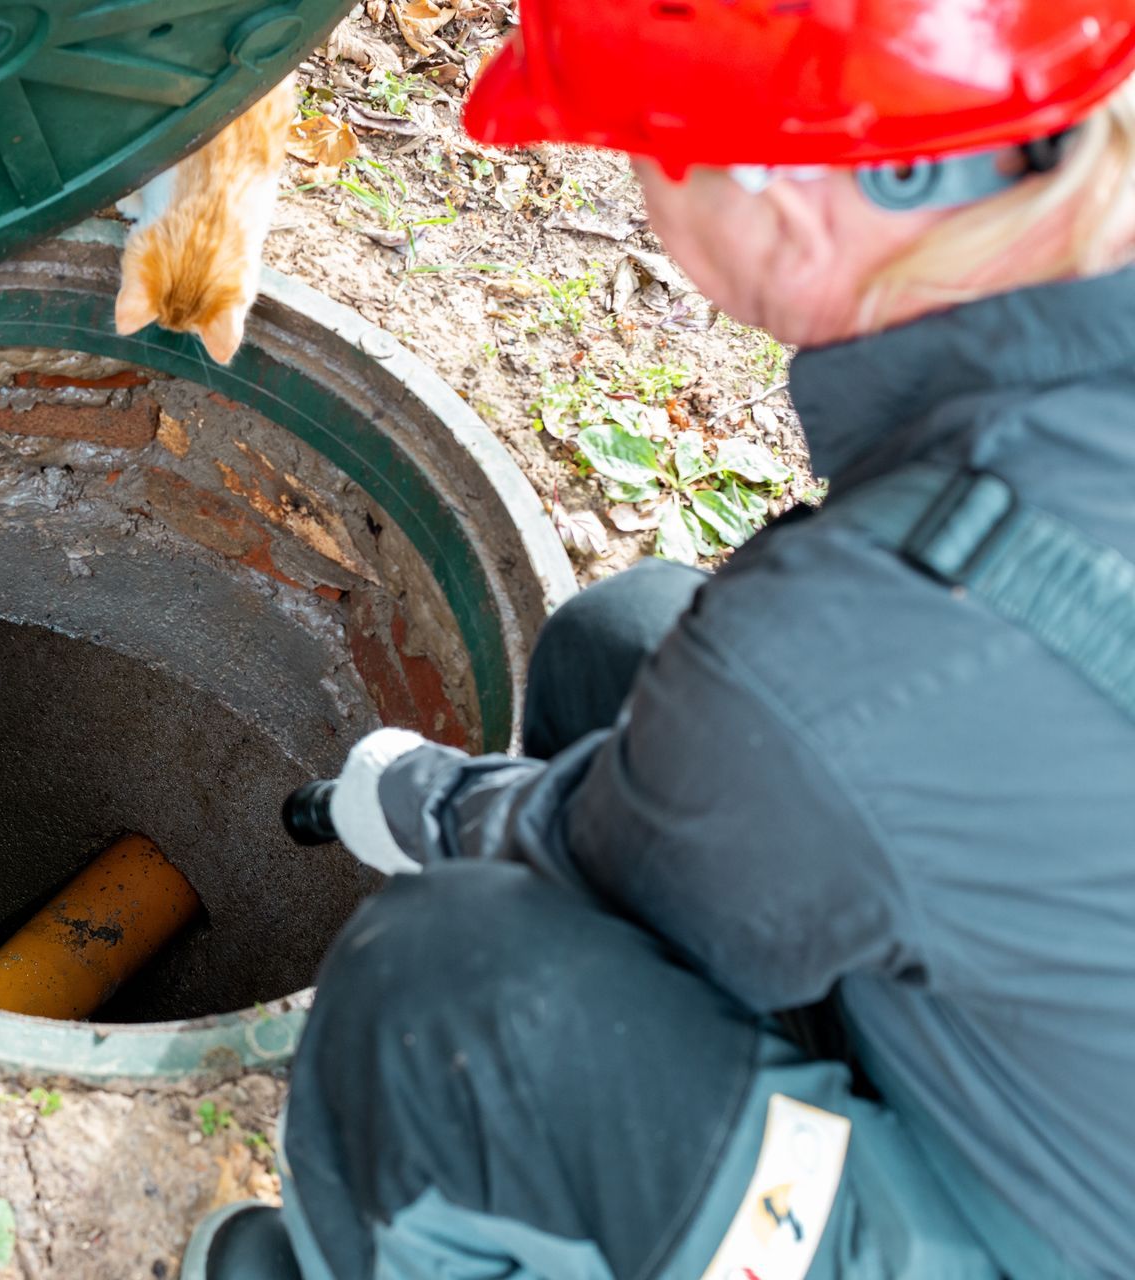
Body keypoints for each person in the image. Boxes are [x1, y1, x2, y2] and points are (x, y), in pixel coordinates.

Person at [184, 3, 1135, 1278]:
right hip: (1037, 1039)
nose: (639, 198)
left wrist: (419, 800)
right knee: (613, 649)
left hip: (1045, 1228)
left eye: (643, 158)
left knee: (444, 997)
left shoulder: (873, 634)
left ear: (784, 201)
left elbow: (635, 841)